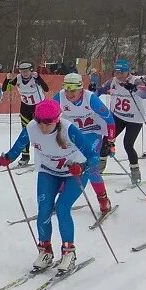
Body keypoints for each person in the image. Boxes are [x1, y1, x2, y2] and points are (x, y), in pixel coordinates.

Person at [0, 98, 98, 275]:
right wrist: (8, 158)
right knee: (44, 209)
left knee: (62, 208)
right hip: (48, 171)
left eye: (47, 122)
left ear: (57, 119)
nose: (42, 126)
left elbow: (93, 157)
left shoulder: (69, 130)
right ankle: (45, 251)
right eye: (39, 121)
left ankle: (69, 253)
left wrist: (82, 167)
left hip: (75, 173)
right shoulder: (31, 128)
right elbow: (17, 148)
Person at [56, 72, 115, 216]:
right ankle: (62, 198)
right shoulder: (60, 96)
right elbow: (48, 113)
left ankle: (103, 200)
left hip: (92, 133)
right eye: (67, 90)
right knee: (62, 164)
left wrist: (111, 141)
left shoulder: (90, 98)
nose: (70, 94)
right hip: (72, 135)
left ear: (81, 88)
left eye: (73, 90)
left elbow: (109, 120)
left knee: (90, 166)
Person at [98, 59, 146, 184]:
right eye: (116, 72)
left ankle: (135, 172)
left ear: (127, 72)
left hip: (134, 119)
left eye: (121, 72)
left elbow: (144, 94)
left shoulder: (136, 80)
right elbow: (100, 90)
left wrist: (134, 88)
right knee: (105, 139)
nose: (118, 75)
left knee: (128, 144)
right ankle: (99, 167)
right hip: (118, 117)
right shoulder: (113, 81)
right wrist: (93, 89)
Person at [0, 62, 48, 166]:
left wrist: (39, 78)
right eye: (22, 71)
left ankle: (46, 156)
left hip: (39, 108)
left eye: (27, 71)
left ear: (31, 70)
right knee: (25, 133)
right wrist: (7, 79)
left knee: (43, 132)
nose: (25, 73)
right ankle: (25, 156)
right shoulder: (17, 78)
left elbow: (46, 89)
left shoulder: (35, 77)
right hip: (25, 108)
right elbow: (5, 89)